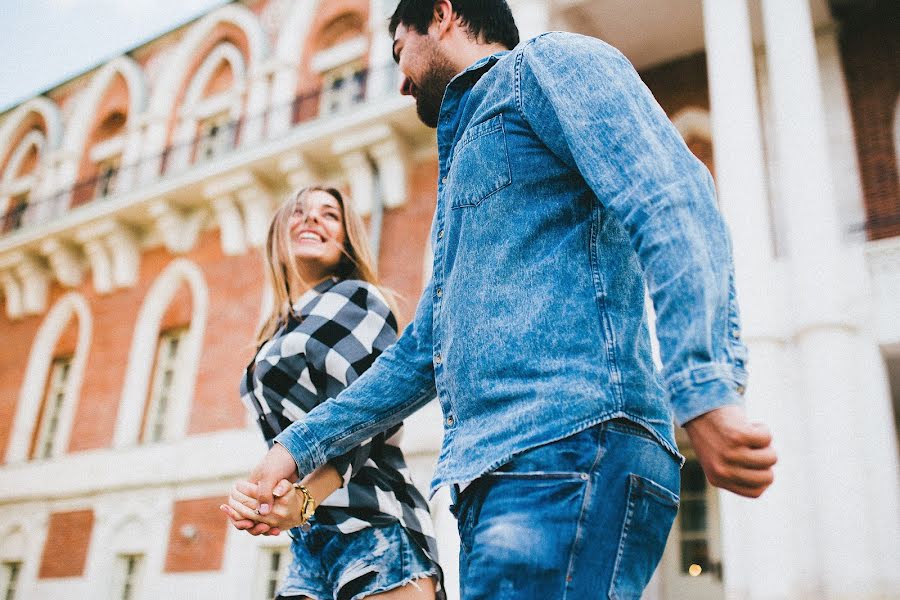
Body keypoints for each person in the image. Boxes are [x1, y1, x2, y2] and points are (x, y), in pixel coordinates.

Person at [234, 1, 778, 597]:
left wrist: (703, 388)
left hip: (568, 445)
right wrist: (294, 449)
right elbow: (420, 354)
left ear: (441, 15)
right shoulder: (460, 161)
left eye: (399, 51)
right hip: (494, 477)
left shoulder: (547, 66)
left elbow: (670, 197)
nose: (399, 78)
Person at [221, 186, 442, 600]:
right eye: (299, 211)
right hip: (311, 544)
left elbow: (369, 415)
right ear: (278, 235)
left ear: (346, 240)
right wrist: (262, 500)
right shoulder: (278, 329)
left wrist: (305, 498)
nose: (311, 219)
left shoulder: (355, 299)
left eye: (329, 215)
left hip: (371, 526)